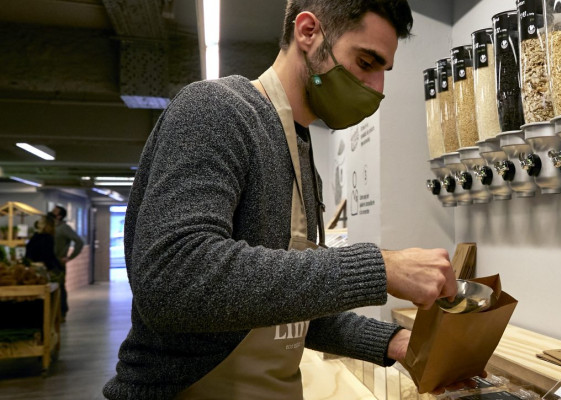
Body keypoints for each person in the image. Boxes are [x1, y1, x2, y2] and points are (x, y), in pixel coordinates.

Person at [102, 1, 462, 399]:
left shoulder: (301, 154)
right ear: (307, 32)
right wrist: (380, 267)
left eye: (383, 72)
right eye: (365, 62)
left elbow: (289, 312)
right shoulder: (216, 110)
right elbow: (172, 280)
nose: (377, 89)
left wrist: (394, 342)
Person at [50, 206, 82, 318]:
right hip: (48, 262)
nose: (51, 212)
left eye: (55, 211)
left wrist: (69, 257)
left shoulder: (64, 228)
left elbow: (79, 242)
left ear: (59, 216)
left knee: (60, 287)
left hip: (58, 262)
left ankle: (62, 312)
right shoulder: (50, 227)